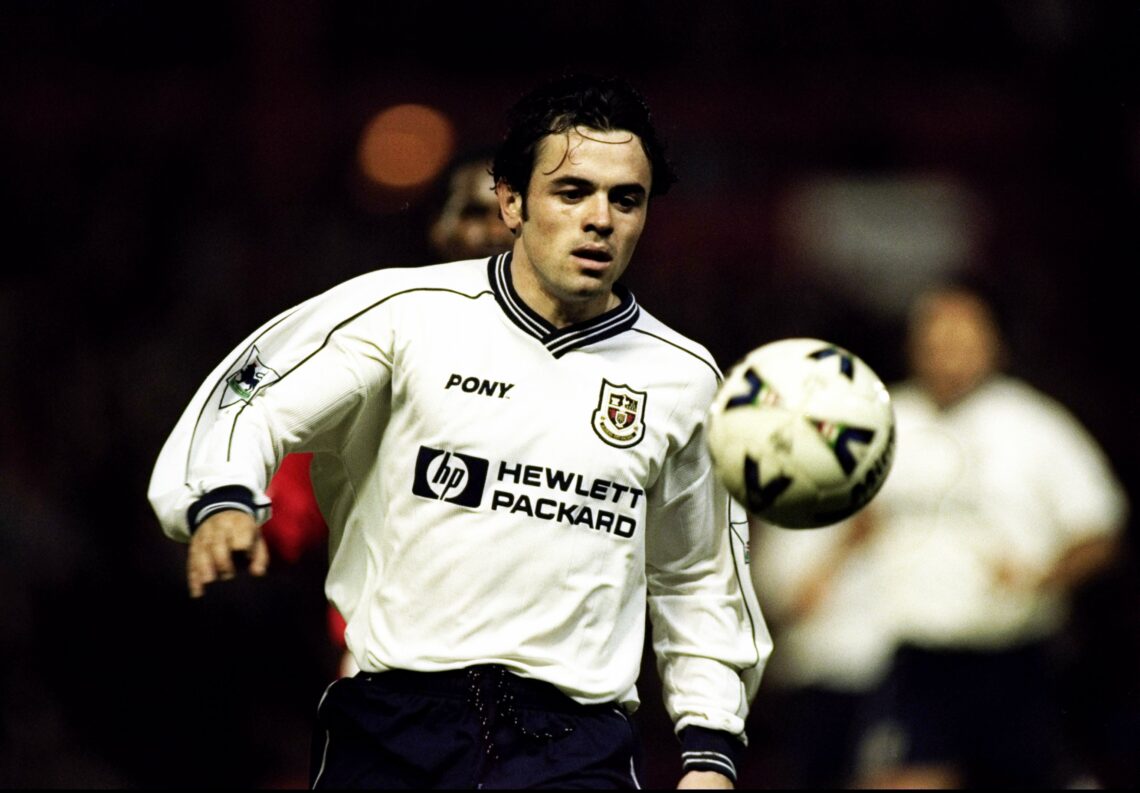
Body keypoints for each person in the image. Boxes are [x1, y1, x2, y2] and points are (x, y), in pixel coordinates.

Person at [148, 73, 771, 789]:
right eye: (573, 192)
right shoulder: (403, 314)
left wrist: (710, 750)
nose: (601, 218)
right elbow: (254, 391)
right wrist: (222, 494)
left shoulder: (684, 377)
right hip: (392, 725)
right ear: (511, 200)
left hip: (575, 746)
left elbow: (698, 575)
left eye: (625, 198)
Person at [852, 281, 1128, 788]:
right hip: (916, 658)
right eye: (935, 340)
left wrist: (1042, 577)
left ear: (993, 344)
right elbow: (851, 521)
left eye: (962, 339)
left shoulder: (1036, 425)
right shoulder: (879, 420)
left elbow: (1101, 532)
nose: (947, 354)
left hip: (1014, 658)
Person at [259, 149, 517, 679]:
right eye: (474, 212)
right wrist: (242, 513)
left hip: (545, 682)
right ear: (438, 228)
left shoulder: (598, 366)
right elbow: (290, 497)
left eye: (513, 214)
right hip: (391, 674)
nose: (495, 230)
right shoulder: (380, 345)